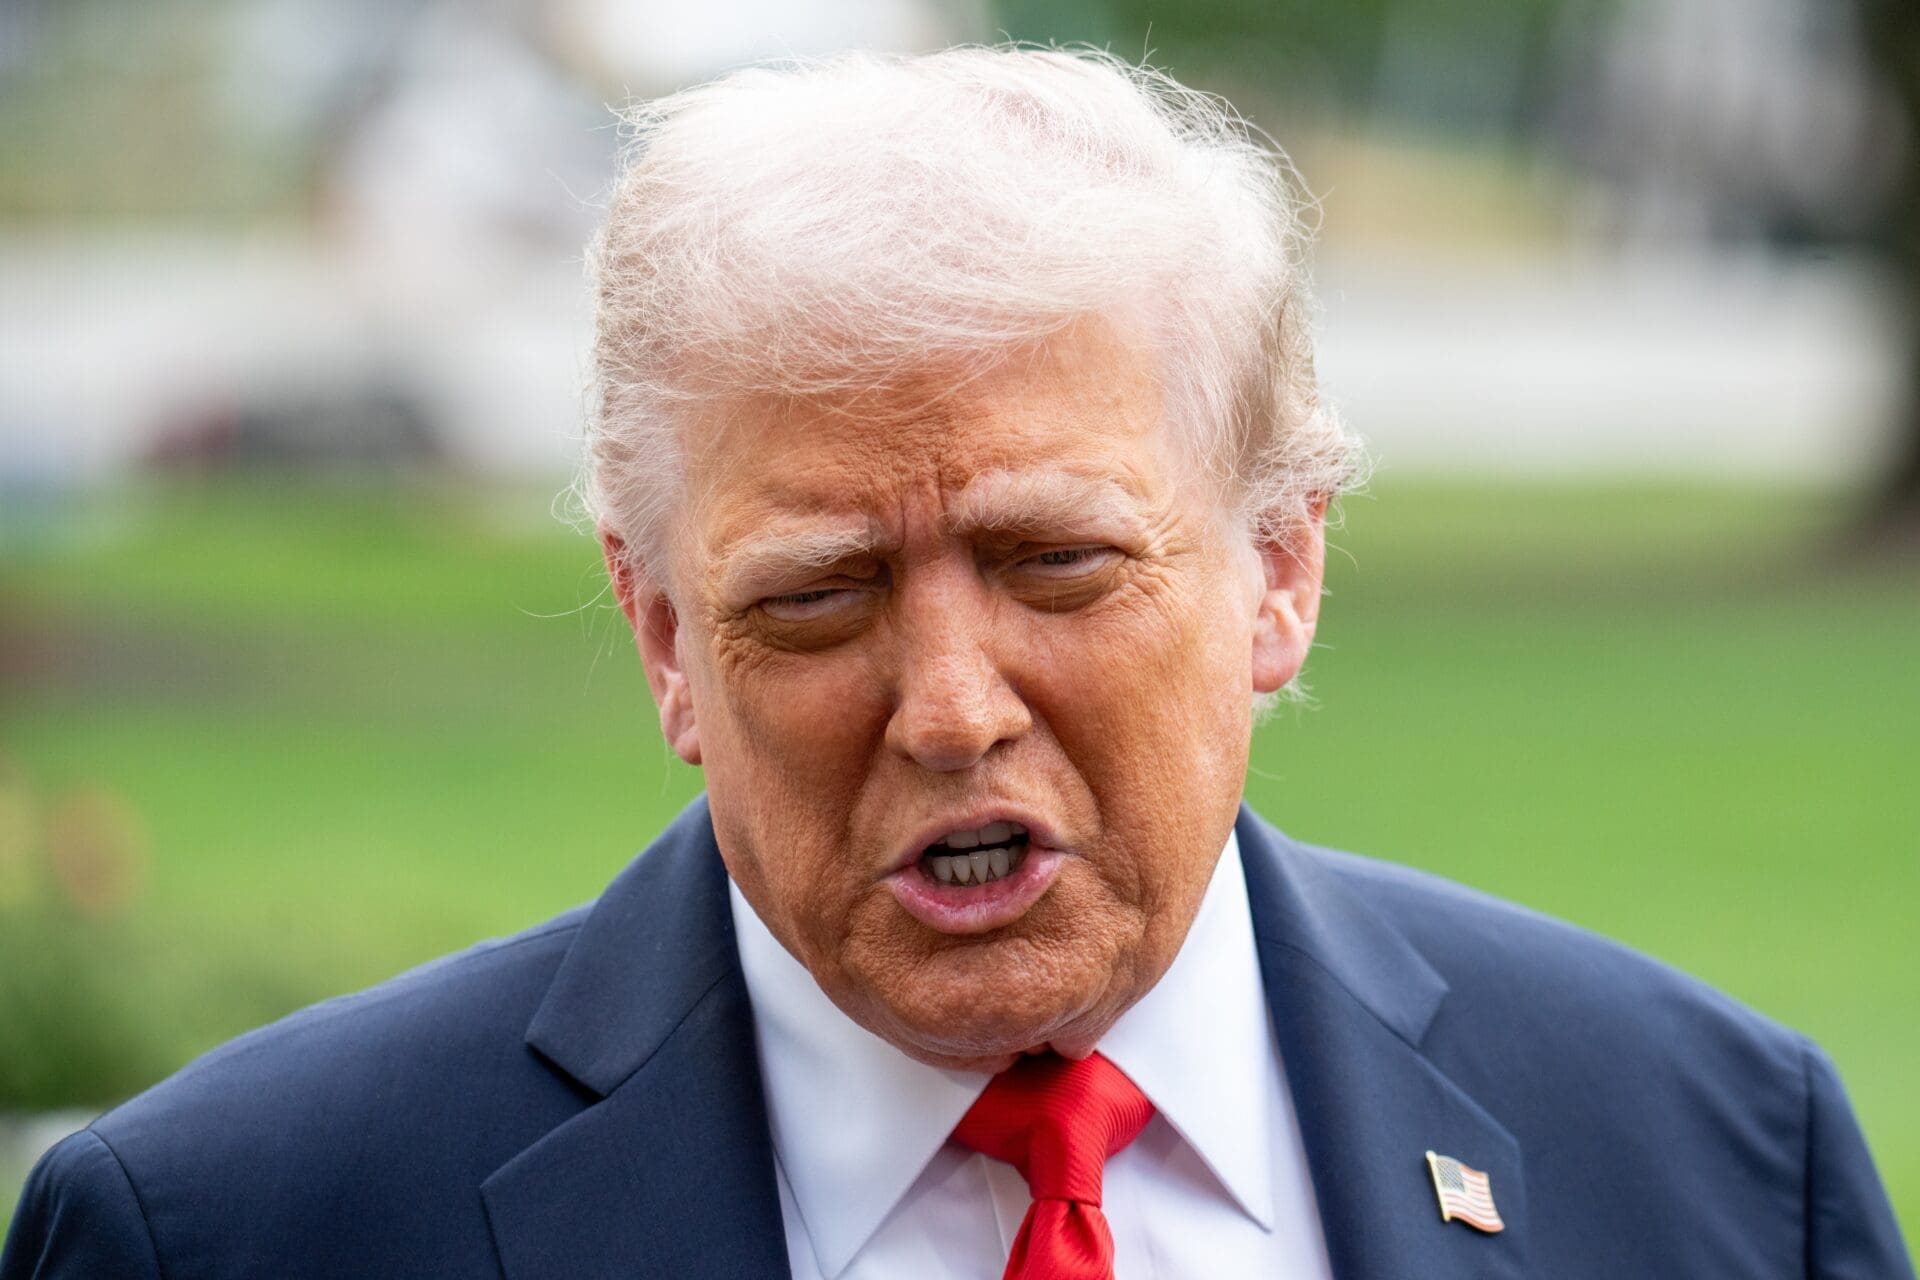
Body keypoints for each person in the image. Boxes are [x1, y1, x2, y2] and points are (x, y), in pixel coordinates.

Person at [2, 47, 1911, 1280]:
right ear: (664, 637)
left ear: (1279, 568)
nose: (950, 705)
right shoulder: (235, 1237)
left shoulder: (1719, 1172)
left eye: (1055, 562)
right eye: (819, 597)